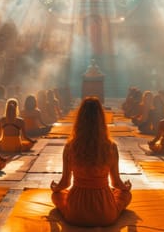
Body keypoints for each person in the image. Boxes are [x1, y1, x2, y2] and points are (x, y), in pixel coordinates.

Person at [51, 97, 132, 227]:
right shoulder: (111, 147)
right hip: (105, 214)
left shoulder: (70, 147)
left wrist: (55, 188)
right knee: (125, 195)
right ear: (101, 120)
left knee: (57, 195)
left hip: (75, 213)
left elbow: (65, 183)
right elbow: (116, 182)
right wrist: (125, 188)